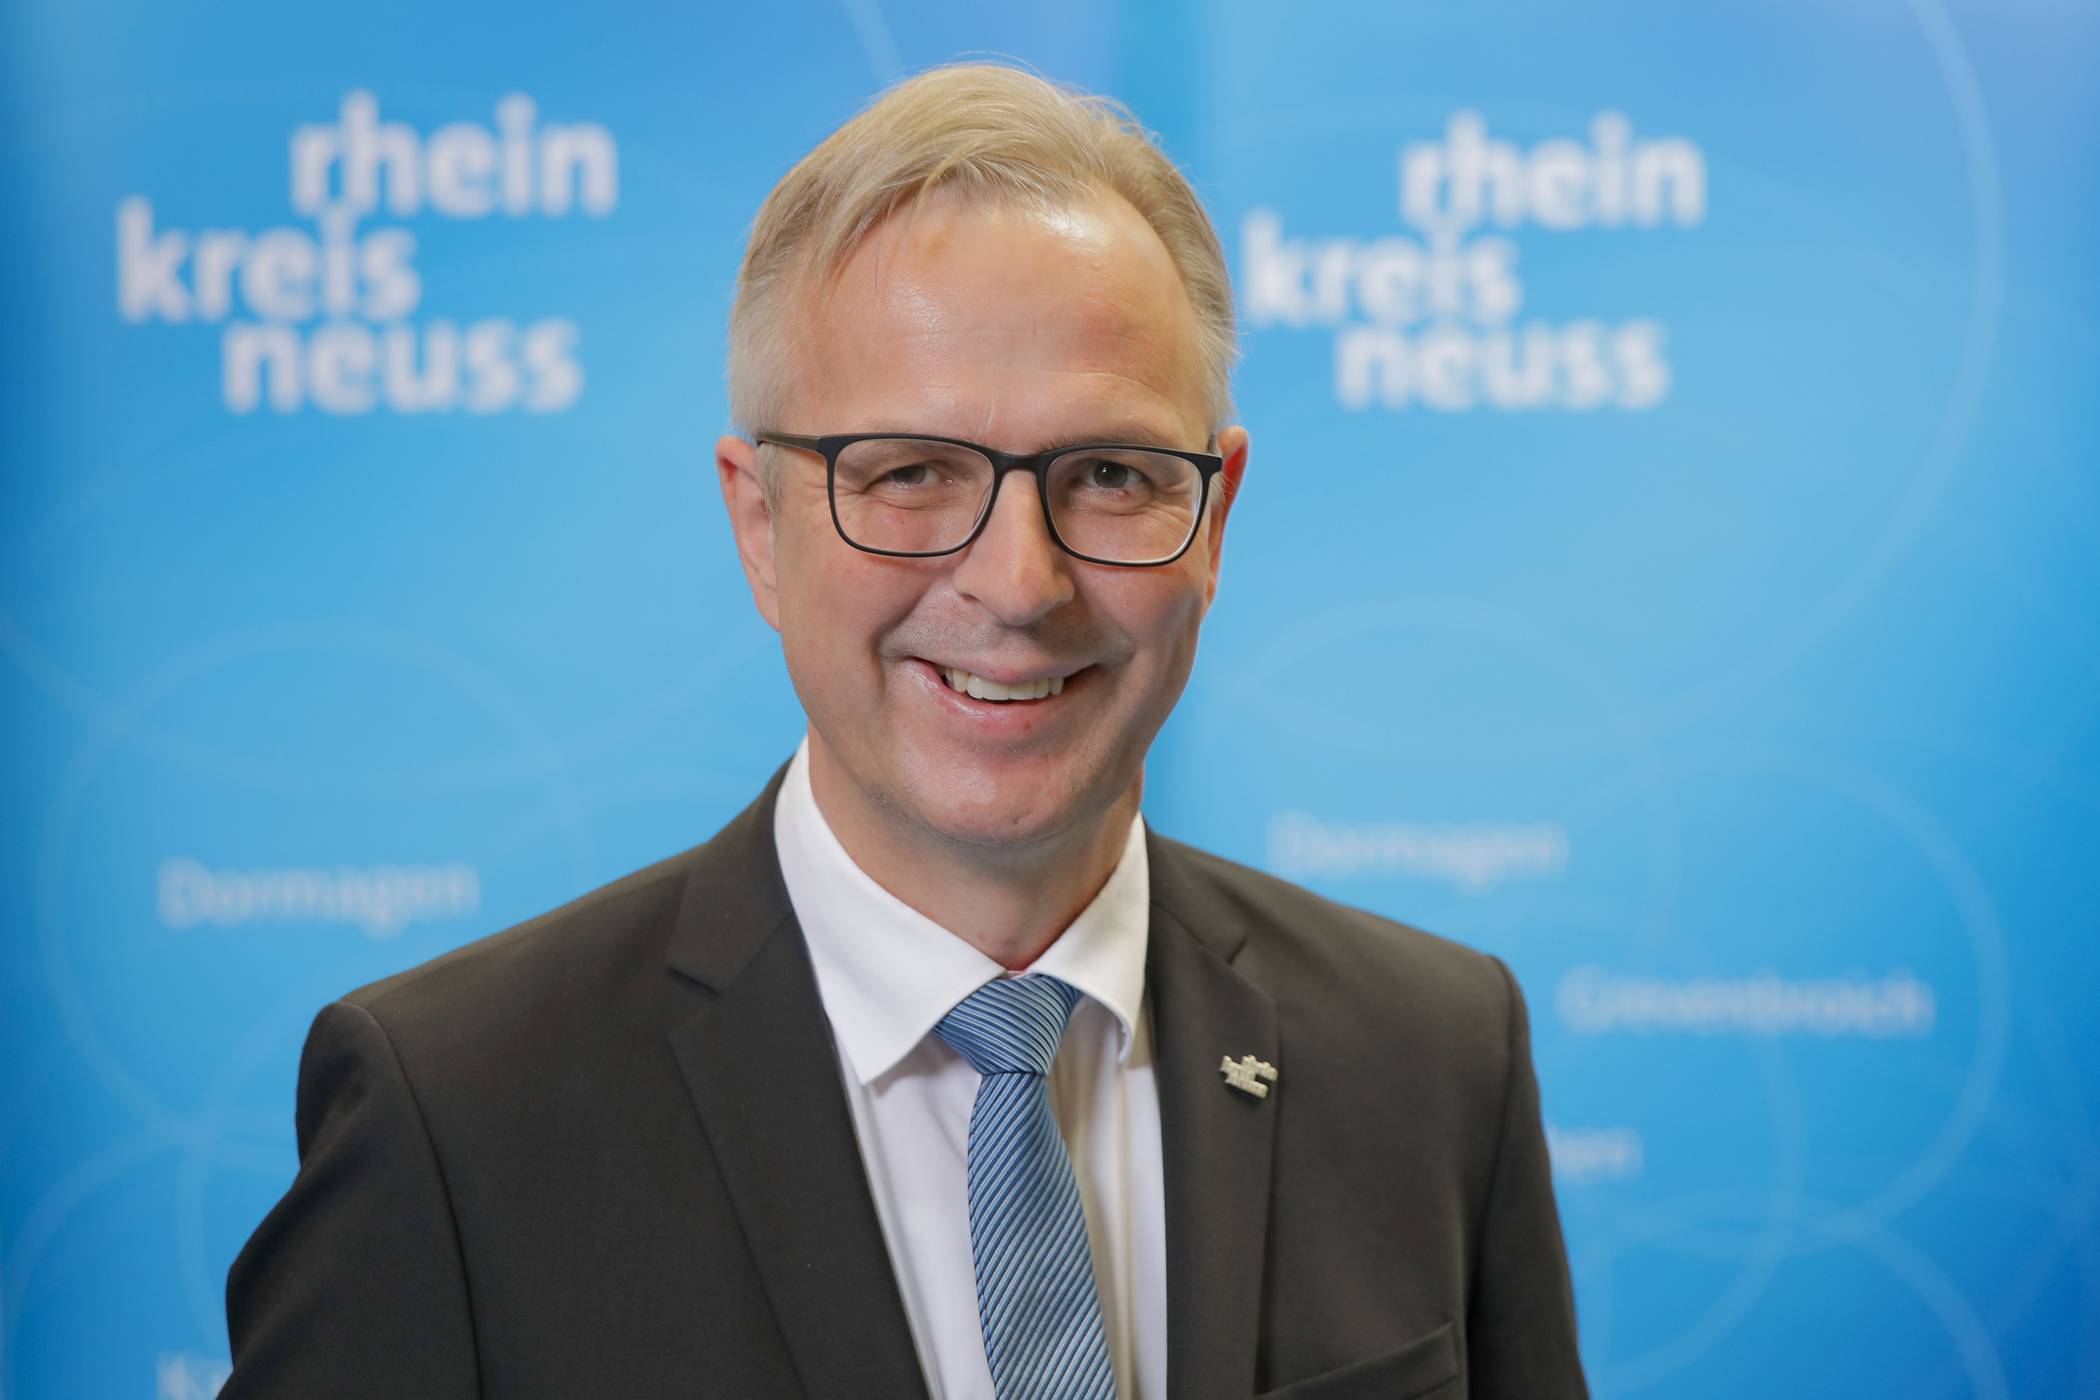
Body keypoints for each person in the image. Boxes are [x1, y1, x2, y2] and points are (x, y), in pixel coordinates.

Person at [222, 63, 1587, 1400]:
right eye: (912, 473)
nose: (1020, 584)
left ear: (1214, 519)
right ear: (759, 525)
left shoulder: (1433, 1054)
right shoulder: (456, 1117)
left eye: (1111, 475)